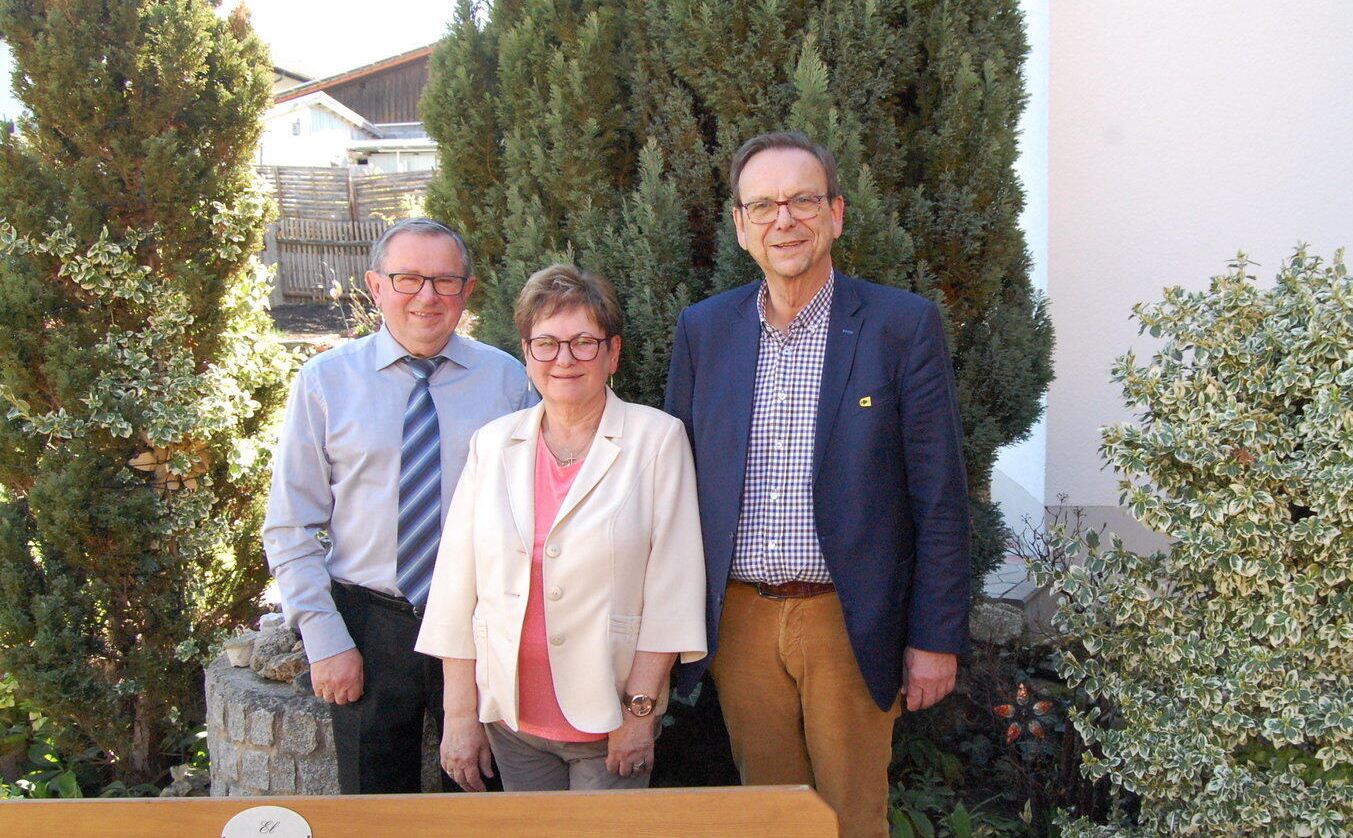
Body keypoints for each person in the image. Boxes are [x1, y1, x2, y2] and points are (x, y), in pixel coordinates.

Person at [665, 131, 970, 836]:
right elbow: (675, 486)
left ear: (835, 213)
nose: (784, 220)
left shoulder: (900, 326)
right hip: (740, 622)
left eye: (803, 200)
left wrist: (935, 637)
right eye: (763, 205)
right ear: (741, 225)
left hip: (849, 620)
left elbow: (939, 495)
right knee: (770, 817)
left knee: (851, 818)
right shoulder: (704, 330)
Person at [262, 217, 532, 794]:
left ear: (467, 290)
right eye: (408, 279)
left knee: (481, 801)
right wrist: (325, 639)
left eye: (444, 281)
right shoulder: (325, 382)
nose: (426, 297)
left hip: (479, 623)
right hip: (369, 625)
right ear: (376, 286)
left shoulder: (509, 382)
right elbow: (289, 525)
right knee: (374, 809)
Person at [416, 264, 707, 792]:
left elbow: (674, 589)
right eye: (546, 343)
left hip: (609, 719)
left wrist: (640, 713)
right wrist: (460, 715)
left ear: (613, 353)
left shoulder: (657, 440)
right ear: (527, 355)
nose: (564, 359)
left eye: (583, 342)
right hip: (511, 719)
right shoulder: (492, 445)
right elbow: (457, 589)